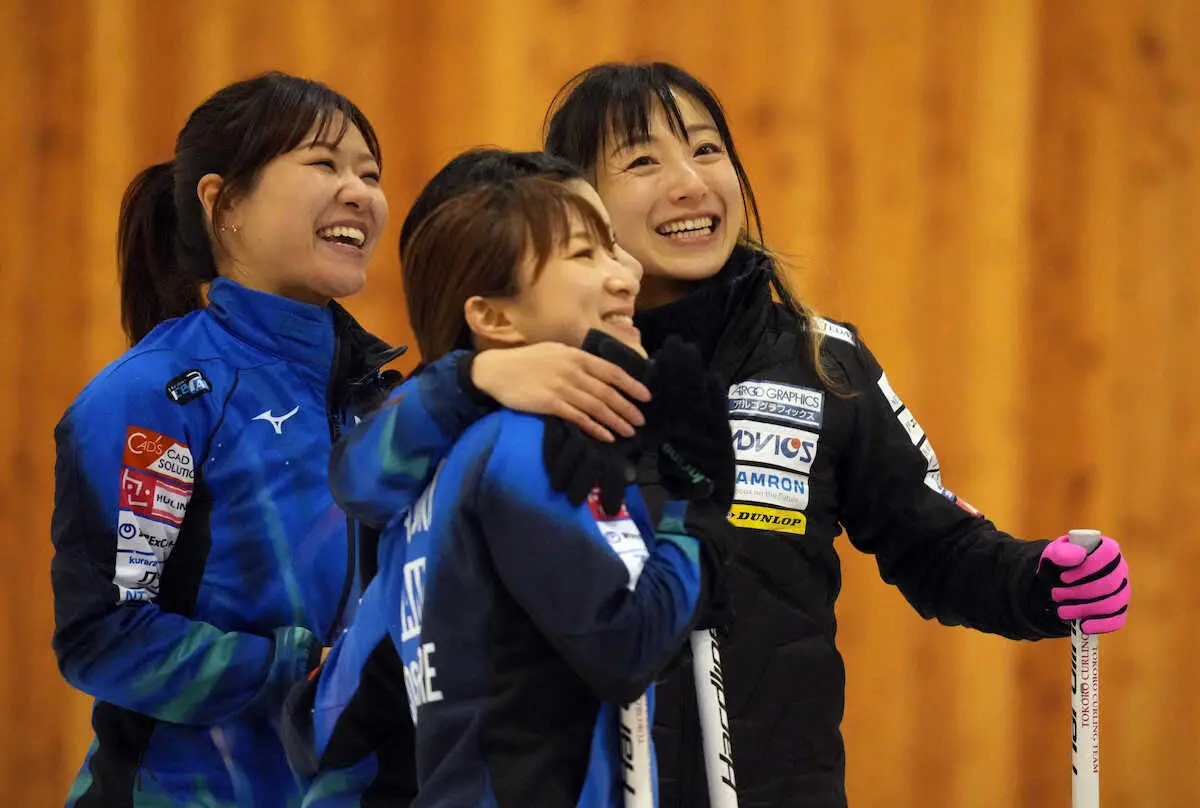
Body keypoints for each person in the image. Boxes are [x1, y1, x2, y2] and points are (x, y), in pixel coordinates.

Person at [539, 62, 1132, 807]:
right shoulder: (545, 376)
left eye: (707, 149)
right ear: (576, 206)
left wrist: (1039, 583)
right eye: (642, 161)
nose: (690, 183)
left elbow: (935, 543)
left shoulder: (821, 363)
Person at [292, 166, 735, 807]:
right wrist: (697, 511)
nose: (628, 273)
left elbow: (322, 721)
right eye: (585, 253)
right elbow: (627, 645)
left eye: (612, 245)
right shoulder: (519, 447)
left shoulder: (447, 465)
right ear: (493, 316)